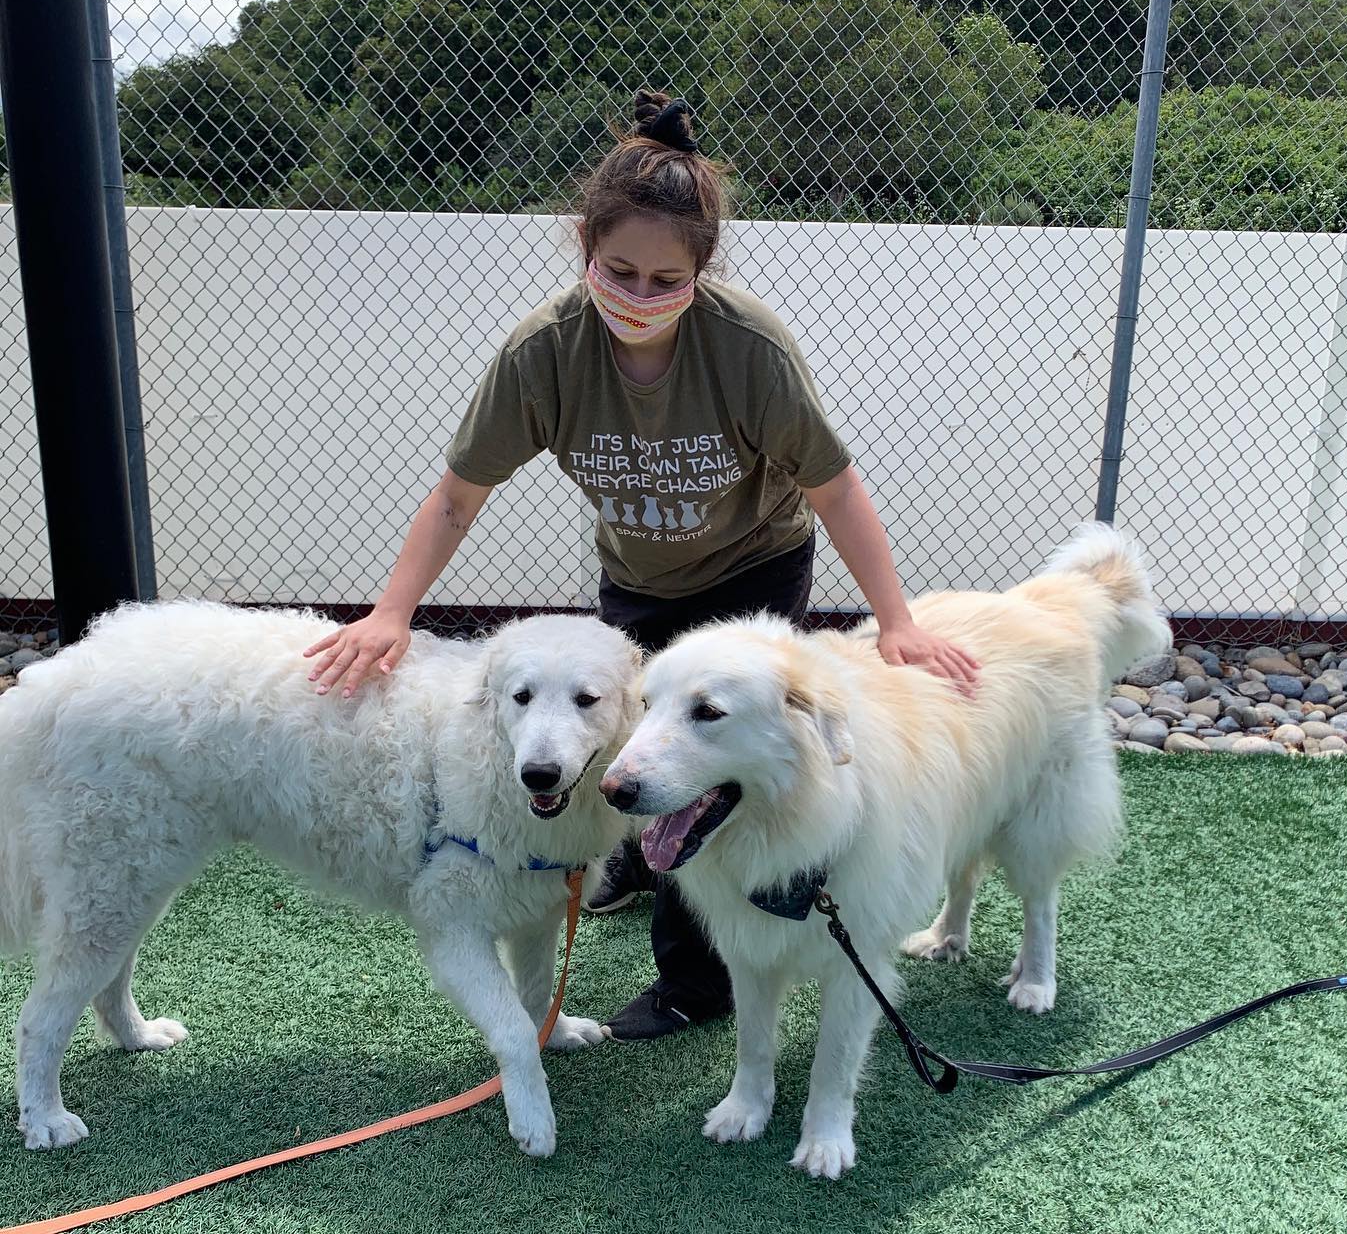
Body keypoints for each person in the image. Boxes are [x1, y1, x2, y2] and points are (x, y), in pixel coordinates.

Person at [303, 90, 980, 1041]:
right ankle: (615, 861)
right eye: (619, 270)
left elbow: (835, 489)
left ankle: (692, 981)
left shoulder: (748, 349)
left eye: (667, 279)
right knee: (610, 732)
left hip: (751, 574)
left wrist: (899, 622)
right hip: (637, 581)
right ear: (584, 246)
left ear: (700, 274)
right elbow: (458, 493)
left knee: (703, 770)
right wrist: (390, 613)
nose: (640, 295)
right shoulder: (544, 351)